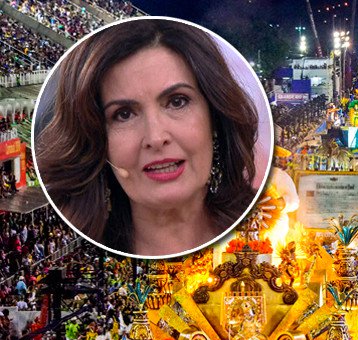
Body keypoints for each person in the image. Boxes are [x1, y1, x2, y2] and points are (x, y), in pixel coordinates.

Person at [36, 19, 259, 256]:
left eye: (177, 102)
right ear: (97, 142)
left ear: (214, 117)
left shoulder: (270, 226)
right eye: (123, 114)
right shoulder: (83, 255)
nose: (156, 137)